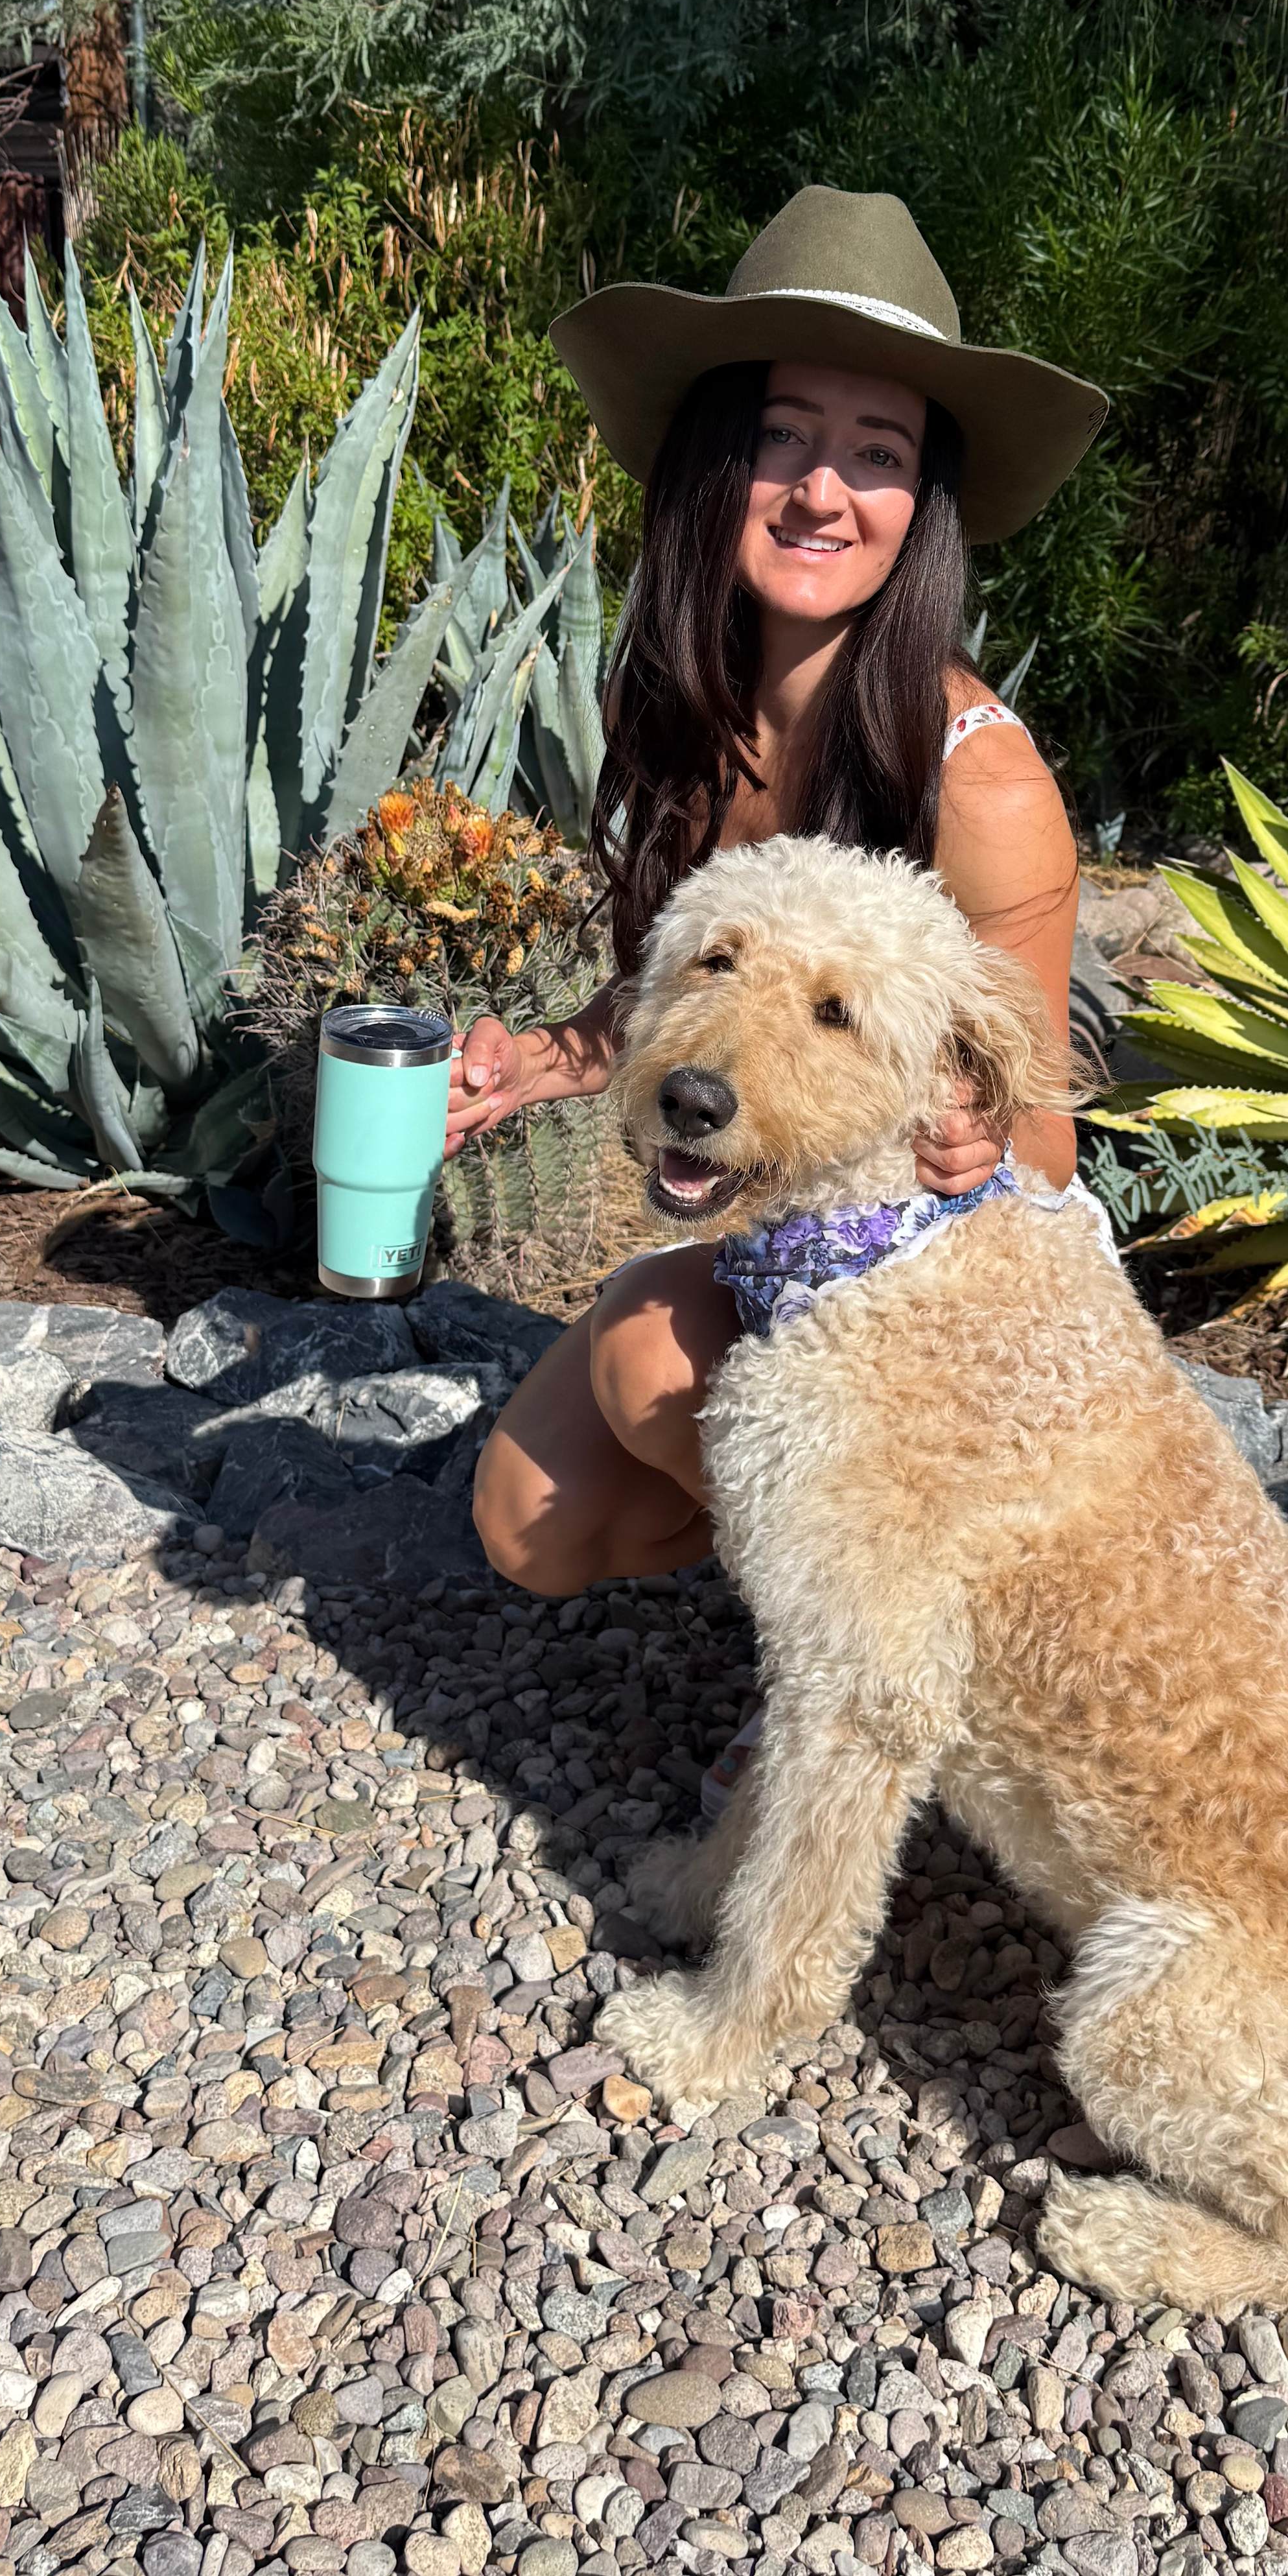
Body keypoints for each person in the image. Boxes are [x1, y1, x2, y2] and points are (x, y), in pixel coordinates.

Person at [454, 183, 1110, 1622]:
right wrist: (534, 1065)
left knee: (644, 1355)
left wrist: (972, 1131)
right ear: (715, 461)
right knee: (536, 1528)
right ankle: (827, 1595)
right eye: (785, 437)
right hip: (776, 1220)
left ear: (919, 506)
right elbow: (679, 1003)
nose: (823, 490)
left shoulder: (978, 787)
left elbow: (1045, 1164)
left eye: (877, 454)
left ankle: (905, 1652)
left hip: (944, 1278)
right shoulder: (686, 707)